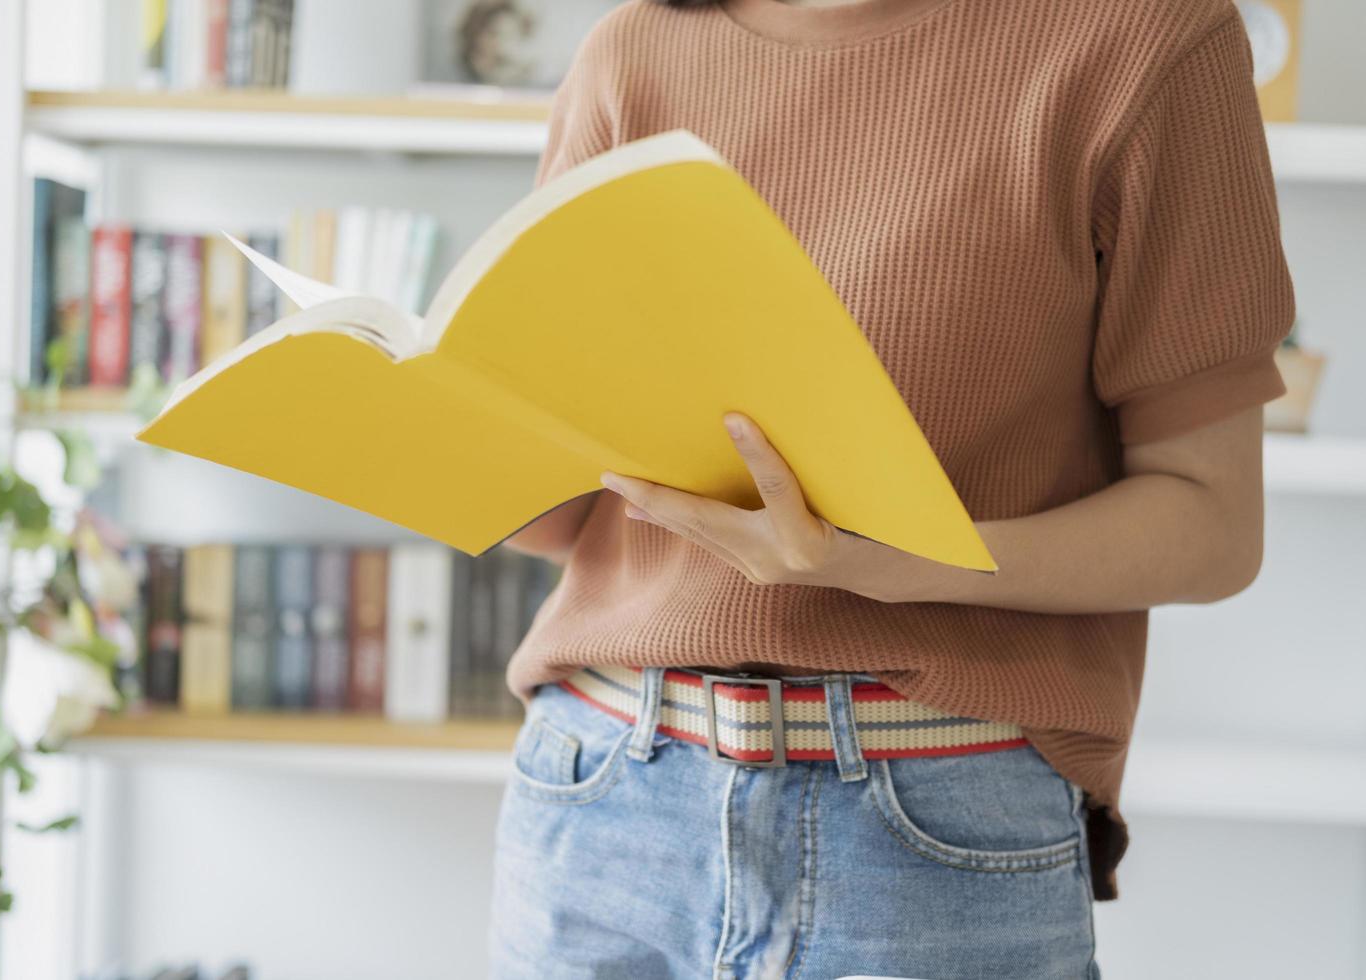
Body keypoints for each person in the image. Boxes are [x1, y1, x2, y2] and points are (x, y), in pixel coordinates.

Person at [491, 0, 1294, 976]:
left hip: (926, 821)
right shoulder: (632, 50)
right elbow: (565, 516)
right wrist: (430, 443)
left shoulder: (1146, 41)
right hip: (600, 787)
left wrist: (898, 559)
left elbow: (1210, 518)